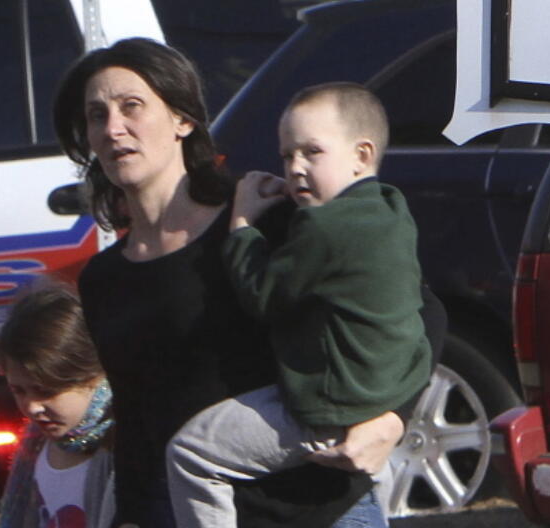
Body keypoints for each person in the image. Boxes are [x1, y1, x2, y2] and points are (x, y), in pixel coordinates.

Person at [52, 38, 444, 528]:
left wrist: (392, 418)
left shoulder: (267, 223)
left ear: (183, 119)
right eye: (96, 115)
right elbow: (137, 418)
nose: (113, 128)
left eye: (132, 106)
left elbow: (419, 310)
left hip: (317, 511)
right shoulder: (105, 279)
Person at [166, 83, 433, 528]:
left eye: (312, 152)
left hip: (331, 407)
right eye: (287, 155)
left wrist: (243, 223)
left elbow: (263, 295)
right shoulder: (391, 209)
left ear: (362, 156)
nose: (295, 168)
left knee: (191, 453)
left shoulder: (323, 227)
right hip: (389, 391)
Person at [0, 280, 115, 528]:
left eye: (45, 391)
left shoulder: (127, 447)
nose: (32, 407)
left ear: (92, 375)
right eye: (18, 390)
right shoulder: (35, 445)